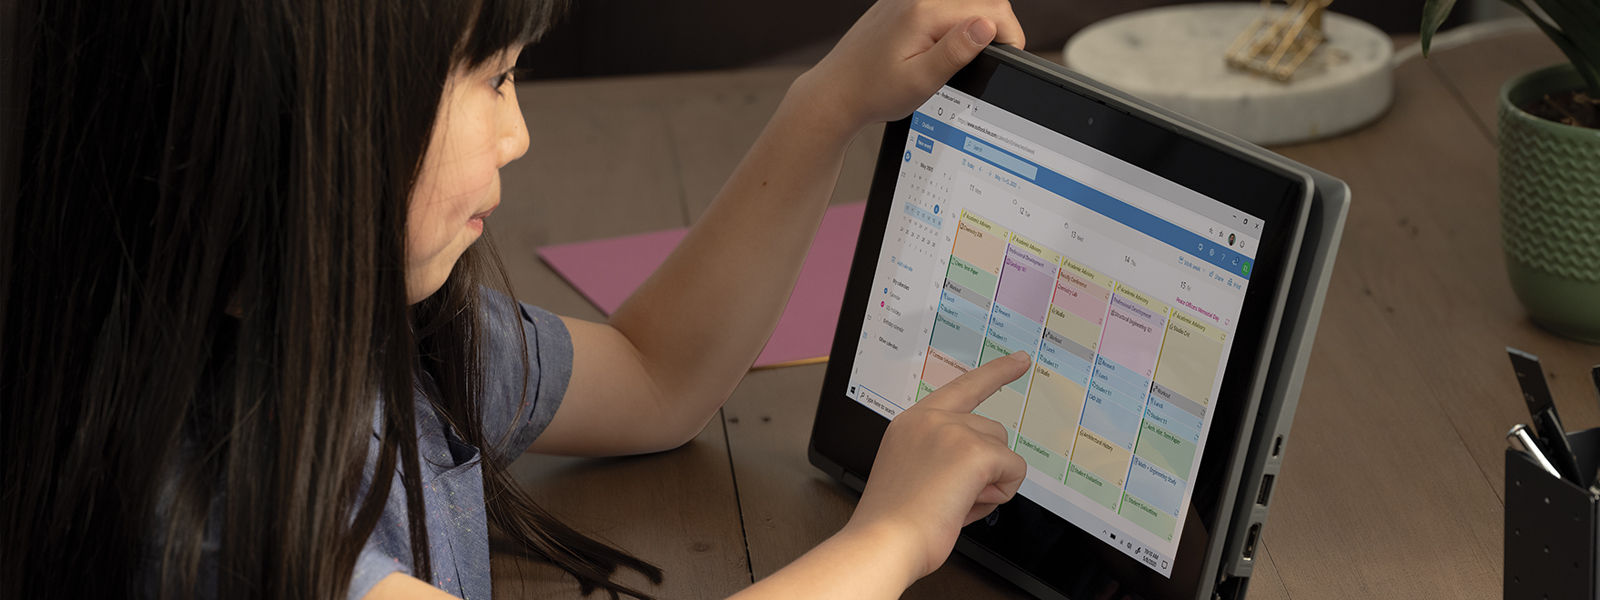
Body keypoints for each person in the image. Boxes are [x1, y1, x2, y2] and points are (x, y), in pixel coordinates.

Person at [0, 0, 1030, 598]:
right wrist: (891, 541)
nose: (517, 133)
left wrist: (828, 104)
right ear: (308, 132)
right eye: (492, 79)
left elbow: (656, 377)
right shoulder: (234, 542)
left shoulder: (368, 341)